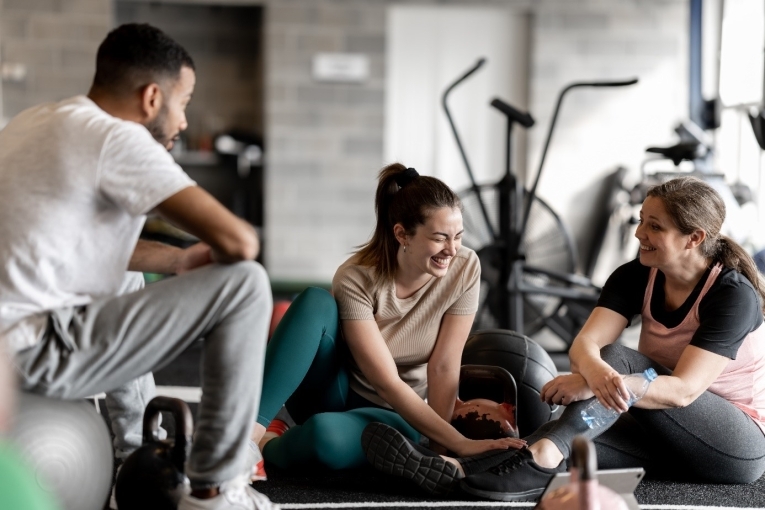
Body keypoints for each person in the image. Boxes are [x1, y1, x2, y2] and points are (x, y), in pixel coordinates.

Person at [0, 24, 277, 510]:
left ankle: (134, 448)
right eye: (184, 101)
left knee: (125, 276)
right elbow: (240, 240)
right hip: (35, 353)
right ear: (152, 97)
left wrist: (177, 260)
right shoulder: (115, 138)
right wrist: (214, 260)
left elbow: (67, 245)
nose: (185, 121)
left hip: (12, 344)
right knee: (247, 284)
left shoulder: (33, 121)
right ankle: (218, 488)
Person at [363, 176, 765, 500]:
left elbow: (682, 392)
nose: (639, 232)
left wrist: (593, 381)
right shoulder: (635, 274)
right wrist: (592, 375)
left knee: (617, 363)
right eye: (641, 219)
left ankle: (541, 455)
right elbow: (583, 347)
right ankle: (456, 470)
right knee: (566, 438)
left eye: (654, 226)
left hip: (733, 447)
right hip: (659, 433)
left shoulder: (732, 294)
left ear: (693, 238)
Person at [247, 164, 525, 483]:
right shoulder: (356, 278)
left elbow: (444, 366)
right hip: (336, 391)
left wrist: (441, 444)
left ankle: (273, 442)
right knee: (313, 301)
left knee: (326, 438)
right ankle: (249, 437)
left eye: (458, 237)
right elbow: (386, 382)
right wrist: (460, 442)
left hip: (398, 412)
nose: (452, 249)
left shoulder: (466, 268)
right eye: (439, 238)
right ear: (402, 234)